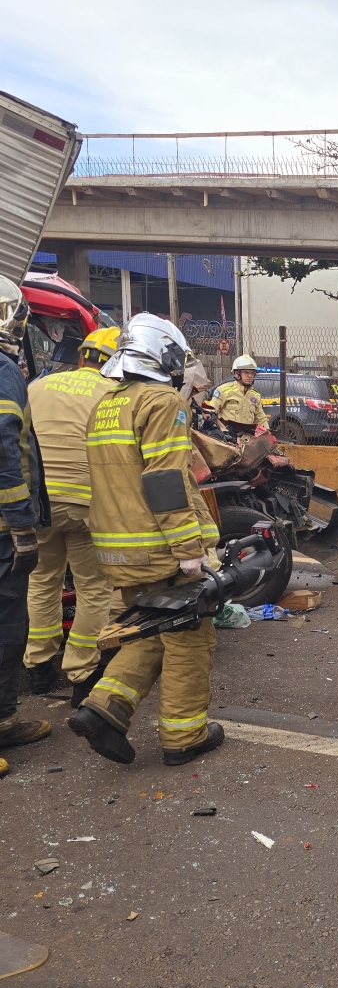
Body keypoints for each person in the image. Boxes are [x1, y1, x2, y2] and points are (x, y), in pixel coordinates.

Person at [68, 313, 223, 767]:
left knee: (151, 631)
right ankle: (184, 736)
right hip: (159, 548)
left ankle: (103, 709)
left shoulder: (107, 402)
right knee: (191, 640)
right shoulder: (160, 401)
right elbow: (164, 481)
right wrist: (189, 551)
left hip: (116, 549)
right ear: (163, 355)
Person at [23, 327, 117, 707]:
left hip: (38, 503)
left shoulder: (37, 387)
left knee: (41, 579)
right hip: (85, 505)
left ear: (82, 357)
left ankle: (39, 666)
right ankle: (81, 674)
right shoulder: (112, 394)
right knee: (93, 587)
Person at [0, 275, 51, 773]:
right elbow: (5, 451)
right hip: (1, 525)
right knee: (6, 626)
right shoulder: (3, 370)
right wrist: (20, 523)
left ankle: (4, 720)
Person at [206, 355, 269, 434]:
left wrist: (268, 435)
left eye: (252, 373)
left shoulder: (255, 395)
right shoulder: (223, 390)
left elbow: (261, 419)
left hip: (247, 439)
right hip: (227, 438)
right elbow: (211, 412)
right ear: (237, 373)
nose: (249, 376)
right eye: (246, 372)